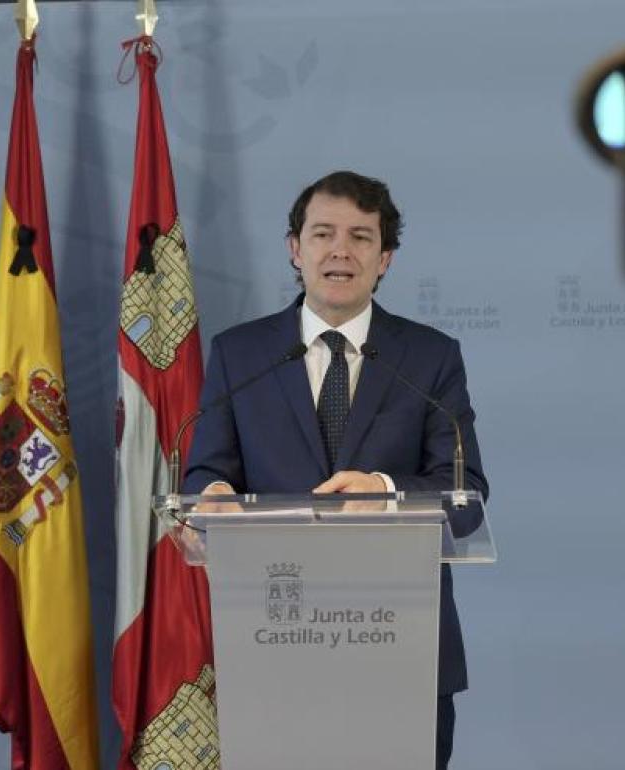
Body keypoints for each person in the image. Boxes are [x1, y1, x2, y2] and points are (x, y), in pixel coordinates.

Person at [184, 170, 488, 769]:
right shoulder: (239, 353)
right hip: (273, 643)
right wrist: (211, 495)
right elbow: (203, 473)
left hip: (403, 645)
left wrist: (386, 491)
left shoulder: (430, 357)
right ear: (296, 250)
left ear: (386, 259)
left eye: (361, 237)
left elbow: (467, 495)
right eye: (322, 233)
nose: (340, 250)